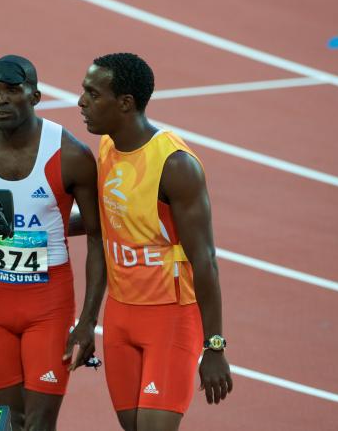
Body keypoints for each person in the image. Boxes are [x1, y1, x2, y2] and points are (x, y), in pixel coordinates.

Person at [75, 53, 233, 431]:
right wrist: (24, 226)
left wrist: (215, 347)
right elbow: (105, 221)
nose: (81, 102)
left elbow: (206, 260)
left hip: (171, 317)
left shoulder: (176, 165)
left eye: (93, 94)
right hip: (121, 315)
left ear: (125, 103)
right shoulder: (108, 148)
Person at [0, 55, 106, 431]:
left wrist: (87, 323)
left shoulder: (71, 155)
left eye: (12, 90)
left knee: (39, 423)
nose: (0, 100)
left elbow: (99, 238)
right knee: (9, 422)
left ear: (35, 96)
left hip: (49, 305)